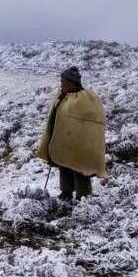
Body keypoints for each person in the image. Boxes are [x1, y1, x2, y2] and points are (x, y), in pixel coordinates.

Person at [36, 66, 107, 201]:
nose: (61, 83)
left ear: (72, 82)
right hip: (64, 140)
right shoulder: (62, 96)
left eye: (64, 81)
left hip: (81, 143)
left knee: (81, 168)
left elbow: (93, 120)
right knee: (64, 164)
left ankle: (83, 196)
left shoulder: (86, 98)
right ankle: (66, 192)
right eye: (61, 81)